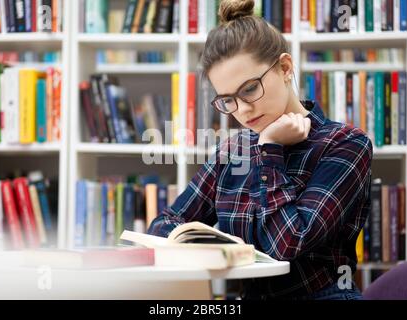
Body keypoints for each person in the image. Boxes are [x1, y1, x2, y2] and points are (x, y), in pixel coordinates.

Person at [148, 0, 372, 300]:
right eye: (228, 100)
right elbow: (165, 225)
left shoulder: (346, 144)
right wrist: (213, 249)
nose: (242, 110)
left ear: (285, 68)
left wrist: (269, 149)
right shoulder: (233, 151)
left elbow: (288, 243)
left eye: (250, 89)